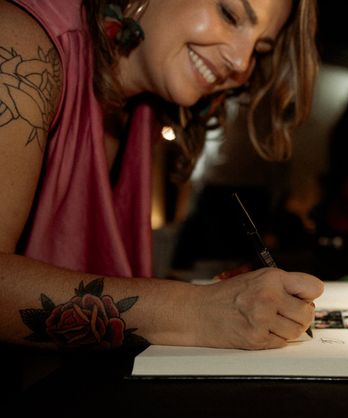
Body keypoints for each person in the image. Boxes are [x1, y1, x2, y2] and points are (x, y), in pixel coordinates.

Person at [0, 0, 324, 351]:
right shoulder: (18, 50)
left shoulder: (147, 110)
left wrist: (217, 296)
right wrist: (195, 309)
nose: (242, 62)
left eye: (260, 50)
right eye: (229, 15)